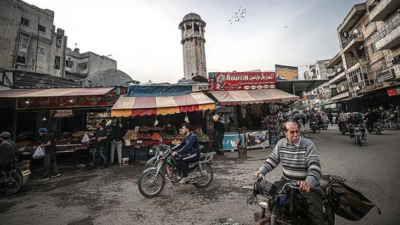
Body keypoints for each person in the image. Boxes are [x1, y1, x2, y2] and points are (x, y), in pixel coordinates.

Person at [253, 122, 323, 225]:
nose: (296, 135)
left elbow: (315, 166)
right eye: (292, 132)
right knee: (272, 199)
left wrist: (308, 182)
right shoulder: (281, 143)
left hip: (304, 184)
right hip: (286, 181)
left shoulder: (308, 144)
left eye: (297, 131)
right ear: (285, 133)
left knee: (315, 215)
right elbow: (272, 160)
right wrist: (260, 171)